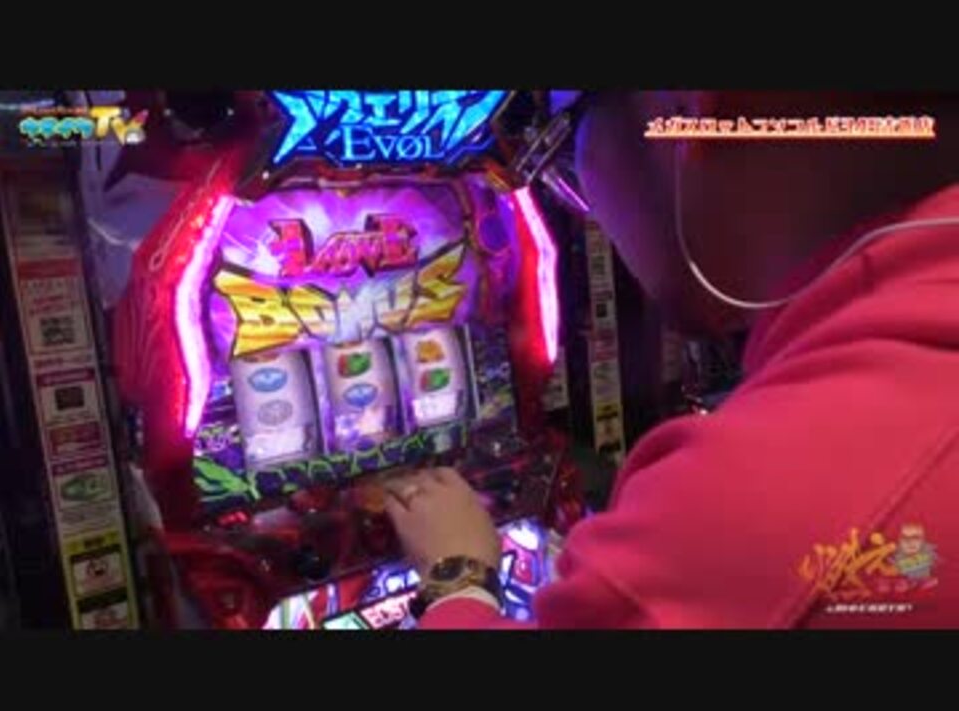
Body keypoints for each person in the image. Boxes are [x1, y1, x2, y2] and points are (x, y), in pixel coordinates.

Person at [384, 91, 959, 629]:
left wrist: (457, 581)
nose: (584, 199)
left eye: (564, 155)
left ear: (689, 112)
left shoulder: (739, 515)